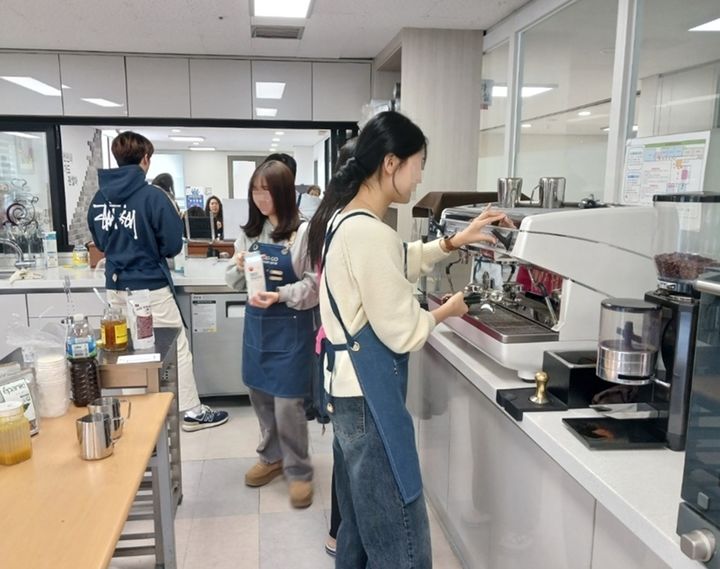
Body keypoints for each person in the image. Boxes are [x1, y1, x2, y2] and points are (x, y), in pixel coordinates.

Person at [307, 111, 509, 568]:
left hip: (346, 395)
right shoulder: (368, 231)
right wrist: (447, 310)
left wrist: (457, 240)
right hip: (370, 402)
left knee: (358, 528)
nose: (420, 177)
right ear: (392, 163)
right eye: (419, 163)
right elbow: (404, 331)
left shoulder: (345, 220)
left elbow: (400, 257)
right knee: (402, 535)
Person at [87, 131, 229, 432]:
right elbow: (173, 244)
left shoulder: (99, 199)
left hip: (115, 288)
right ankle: (190, 412)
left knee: (125, 352)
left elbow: (99, 239)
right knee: (175, 345)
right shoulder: (153, 196)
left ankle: (132, 414)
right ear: (145, 159)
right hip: (150, 285)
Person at [225, 159, 318, 509]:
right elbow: (234, 282)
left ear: (282, 192)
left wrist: (280, 294)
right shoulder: (249, 233)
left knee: (288, 403)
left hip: (291, 326)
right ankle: (271, 456)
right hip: (258, 326)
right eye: (255, 190)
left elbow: (314, 285)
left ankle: (299, 470)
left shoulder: (304, 232)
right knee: (259, 395)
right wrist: (235, 266)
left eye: (266, 190)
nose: (260, 198)